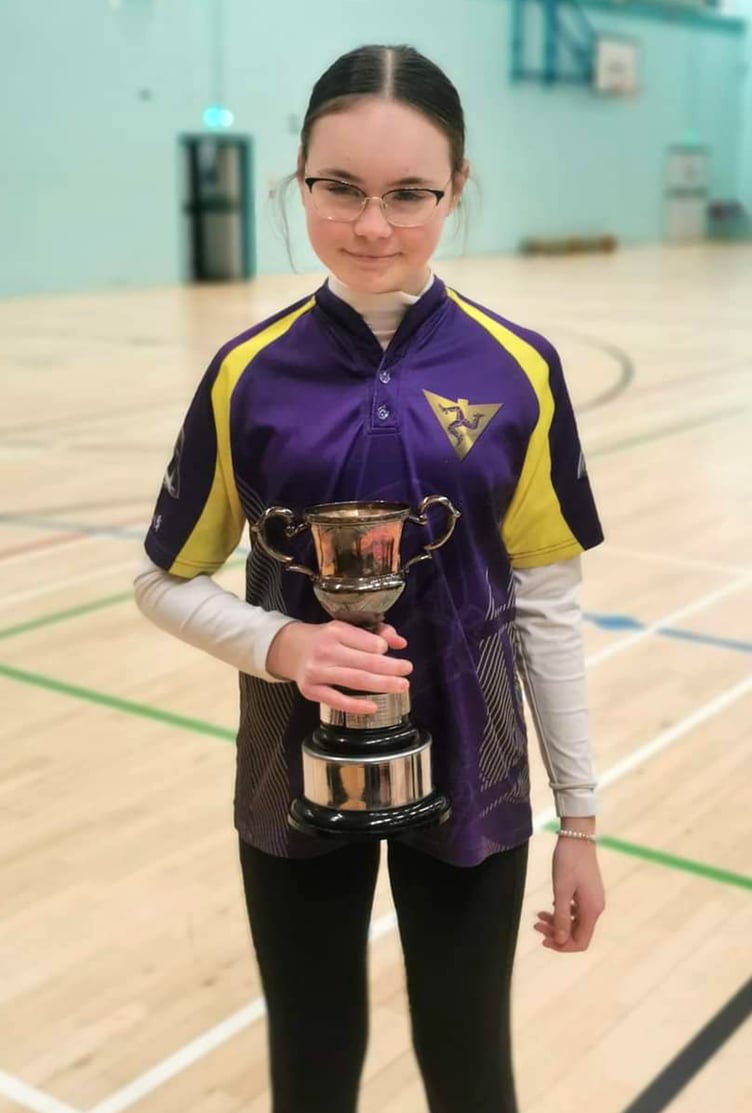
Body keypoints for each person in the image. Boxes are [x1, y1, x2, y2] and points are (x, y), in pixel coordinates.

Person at [134, 43, 606, 1113]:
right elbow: (163, 579)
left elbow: (546, 606)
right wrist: (281, 644)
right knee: (308, 1069)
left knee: (469, 1069)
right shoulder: (244, 377)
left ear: (457, 189)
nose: (372, 226)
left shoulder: (517, 369)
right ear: (294, 178)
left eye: (409, 194)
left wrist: (578, 822)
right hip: (286, 773)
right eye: (336, 189)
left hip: (475, 770)